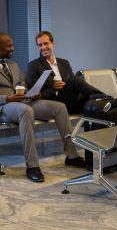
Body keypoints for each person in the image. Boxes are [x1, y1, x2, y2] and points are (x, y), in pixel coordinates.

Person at [0, 32, 85, 183]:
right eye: (9, 45)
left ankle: (72, 155)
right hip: (5, 106)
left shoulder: (14, 65)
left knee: (59, 107)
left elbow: (22, 85)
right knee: (26, 111)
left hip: (23, 101)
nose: (13, 47)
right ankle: (32, 165)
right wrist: (7, 98)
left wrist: (31, 93)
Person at [27, 31, 106, 114]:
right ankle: (104, 97)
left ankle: (104, 101)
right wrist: (54, 88)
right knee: (74, 80)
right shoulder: (34, 65)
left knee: (91, 99)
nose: (43, 47)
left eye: (46, 44)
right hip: (53, 102)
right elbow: (34, 92)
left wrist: (66, 85)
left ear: (53, 44)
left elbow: (72, 86)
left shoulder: (64, 63)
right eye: (40, 45)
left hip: (71, 102)